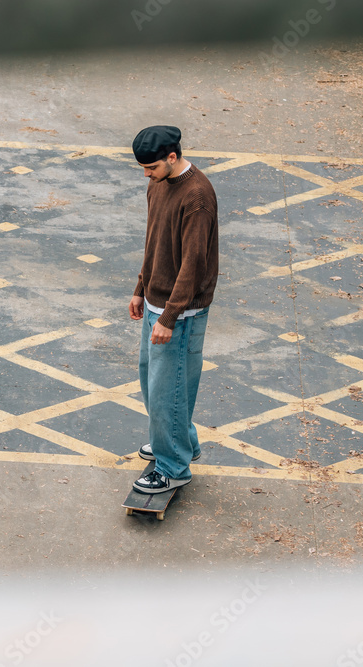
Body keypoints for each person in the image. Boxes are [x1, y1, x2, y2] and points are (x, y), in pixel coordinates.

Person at [128, 125, 219, 494]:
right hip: (155, 300)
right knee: (154, 386)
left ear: (172, 157)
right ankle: (180, 442)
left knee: (169, 392)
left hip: (180, 313)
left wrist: (168, 317)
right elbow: (153, 242)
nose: (147, 175)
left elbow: (193, 265)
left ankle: (172, 467)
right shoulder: (158, 184)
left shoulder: (197, 196)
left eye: (151, 167)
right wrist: (140, 288)